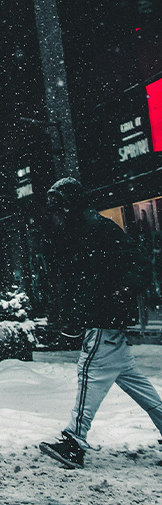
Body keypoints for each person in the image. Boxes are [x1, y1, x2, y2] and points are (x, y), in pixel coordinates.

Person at [39, 177, 162, 468]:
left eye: (58, 207)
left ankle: (73, 442)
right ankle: (73, 441)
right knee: (137, 385)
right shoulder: (84, 230)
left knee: (88, 376)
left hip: (104, 321)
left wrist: (121, 289)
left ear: (69, 206)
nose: (55, 214)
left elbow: (139, 265)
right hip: (106, 320)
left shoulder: (95, 230)